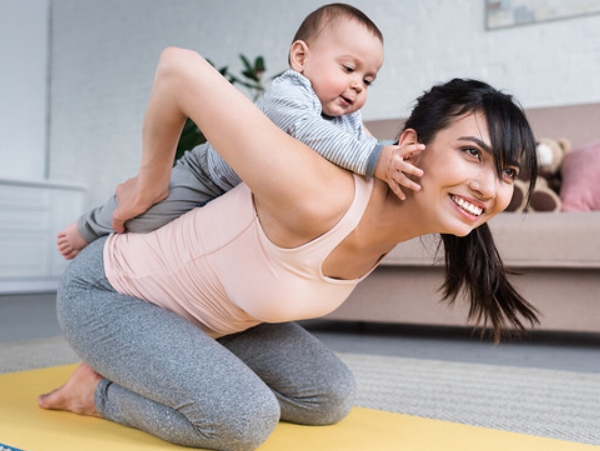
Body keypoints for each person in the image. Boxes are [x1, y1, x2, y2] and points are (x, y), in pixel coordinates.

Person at [39, 46, 540, 451]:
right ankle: (94, 392)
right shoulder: (318, 192)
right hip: (109, 295)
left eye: (506, 173)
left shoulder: (401, 221)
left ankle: (166, 361)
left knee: (329, 396)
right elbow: (178, 69)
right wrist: (151, 184)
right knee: (242, 421)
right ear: (411, 144)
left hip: (207, 316)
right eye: (472, 153)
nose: (487, 186)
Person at [56, 3, 423, 260]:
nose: (358, 85)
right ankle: (89, 227)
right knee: (146, 214)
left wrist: (394, 153)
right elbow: (312, 135)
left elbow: (362, 145)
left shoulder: (346, 118)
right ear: (300, 58)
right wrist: (376, 158)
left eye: (368, 79)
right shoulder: (289, 94)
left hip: (245, 201)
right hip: (209, 176)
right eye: (348, 68)